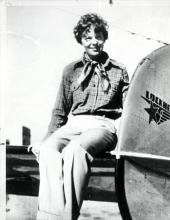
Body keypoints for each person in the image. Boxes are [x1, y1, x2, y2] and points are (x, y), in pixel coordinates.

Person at [29, 13, 129, 219]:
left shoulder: (119, 70)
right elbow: (59, 111)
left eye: (98, 36)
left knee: (75, 151)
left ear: (104, 38)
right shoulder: (70, 71)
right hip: (74, 124)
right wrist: (46, 139)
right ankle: (50, 216)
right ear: (81, 40)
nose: (94, 42)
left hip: (103, 127)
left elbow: (129, 111)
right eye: (88, 37)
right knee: (48, 150)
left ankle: (67, 216)